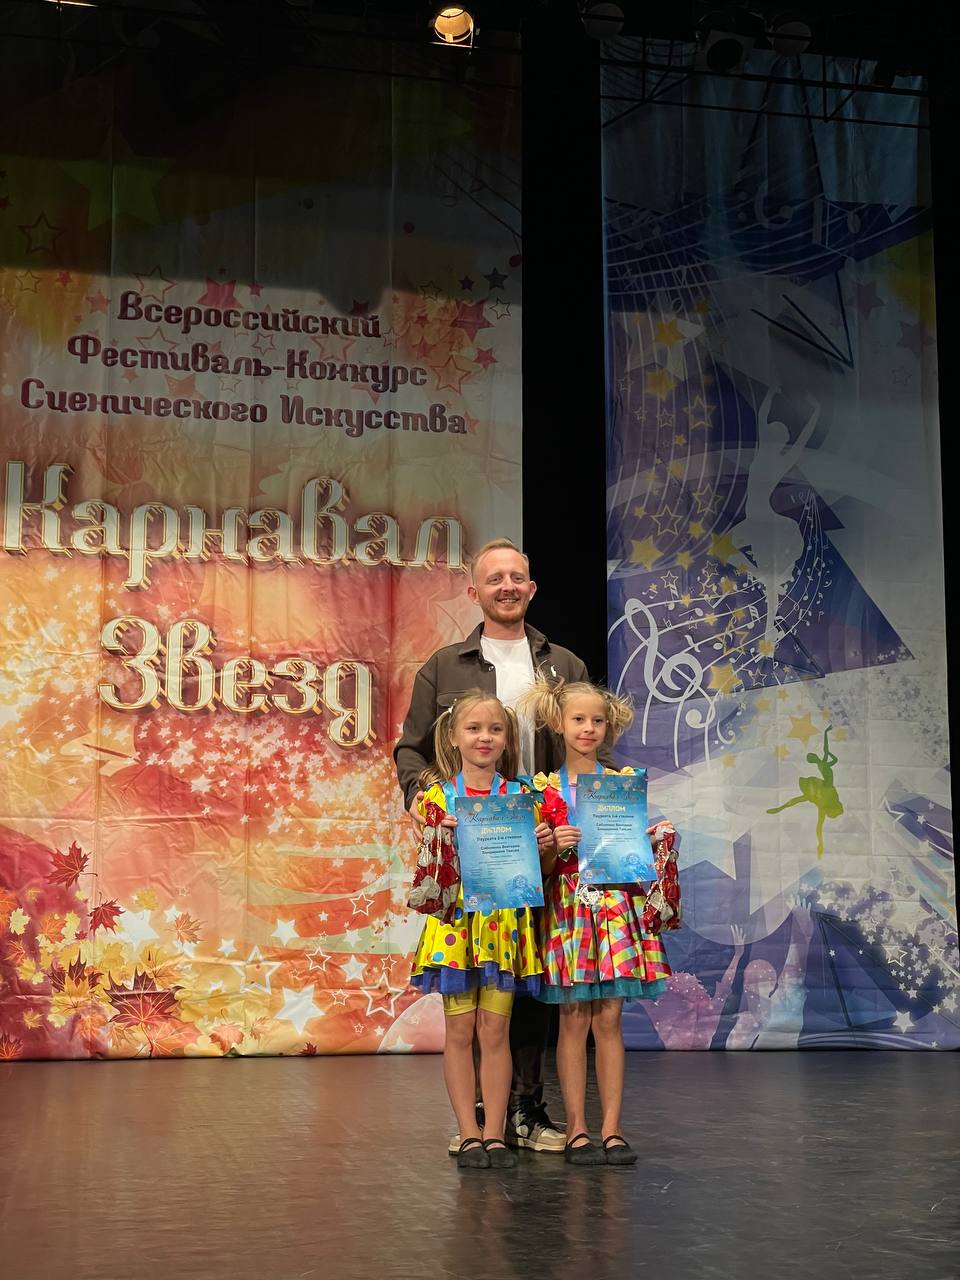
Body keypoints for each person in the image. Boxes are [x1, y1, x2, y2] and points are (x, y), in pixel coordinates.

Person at [395, 537, 606, 1154]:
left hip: (546, 836)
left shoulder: (563, 664)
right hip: (475, 845)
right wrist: (436, 809)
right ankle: (483, 1116)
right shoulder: (444, 666)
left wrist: (590, 813)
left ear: (531, 589)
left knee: (531, 974)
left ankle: (528, 1109)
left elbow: (589, 740)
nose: (507, 586)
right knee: (479, 985)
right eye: (495, 579)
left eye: (517, 577)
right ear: (475, 592)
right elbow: (411, 750)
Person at [521, 677, 671, 1166]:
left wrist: (651, 842)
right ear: (558, 723)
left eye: (597, 720)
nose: (588, 728)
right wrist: (551, 848)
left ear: (609, 726)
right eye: (579, 719)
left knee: (609, 1018)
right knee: (572, 1019)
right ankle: (576, 1128)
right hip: (568, 907)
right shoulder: (542, 790)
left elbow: (630, 854)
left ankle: (612, 1127)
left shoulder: (621, 784)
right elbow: (540, 870)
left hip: (614, 907)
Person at [409, 691, 546, 1170]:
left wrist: (543, 844)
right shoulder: (436, 799)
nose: (484, 737)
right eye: (473, 728)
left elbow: (534, 867)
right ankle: (468, 1132)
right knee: (460, 1030)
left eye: (494, 729)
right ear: (453, 736)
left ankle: (495, 1134)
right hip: (456, 927)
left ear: (507, 739)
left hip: (503, 927)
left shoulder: (520, 799)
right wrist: (438, 837)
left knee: (495, 1030)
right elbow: (427, 871)